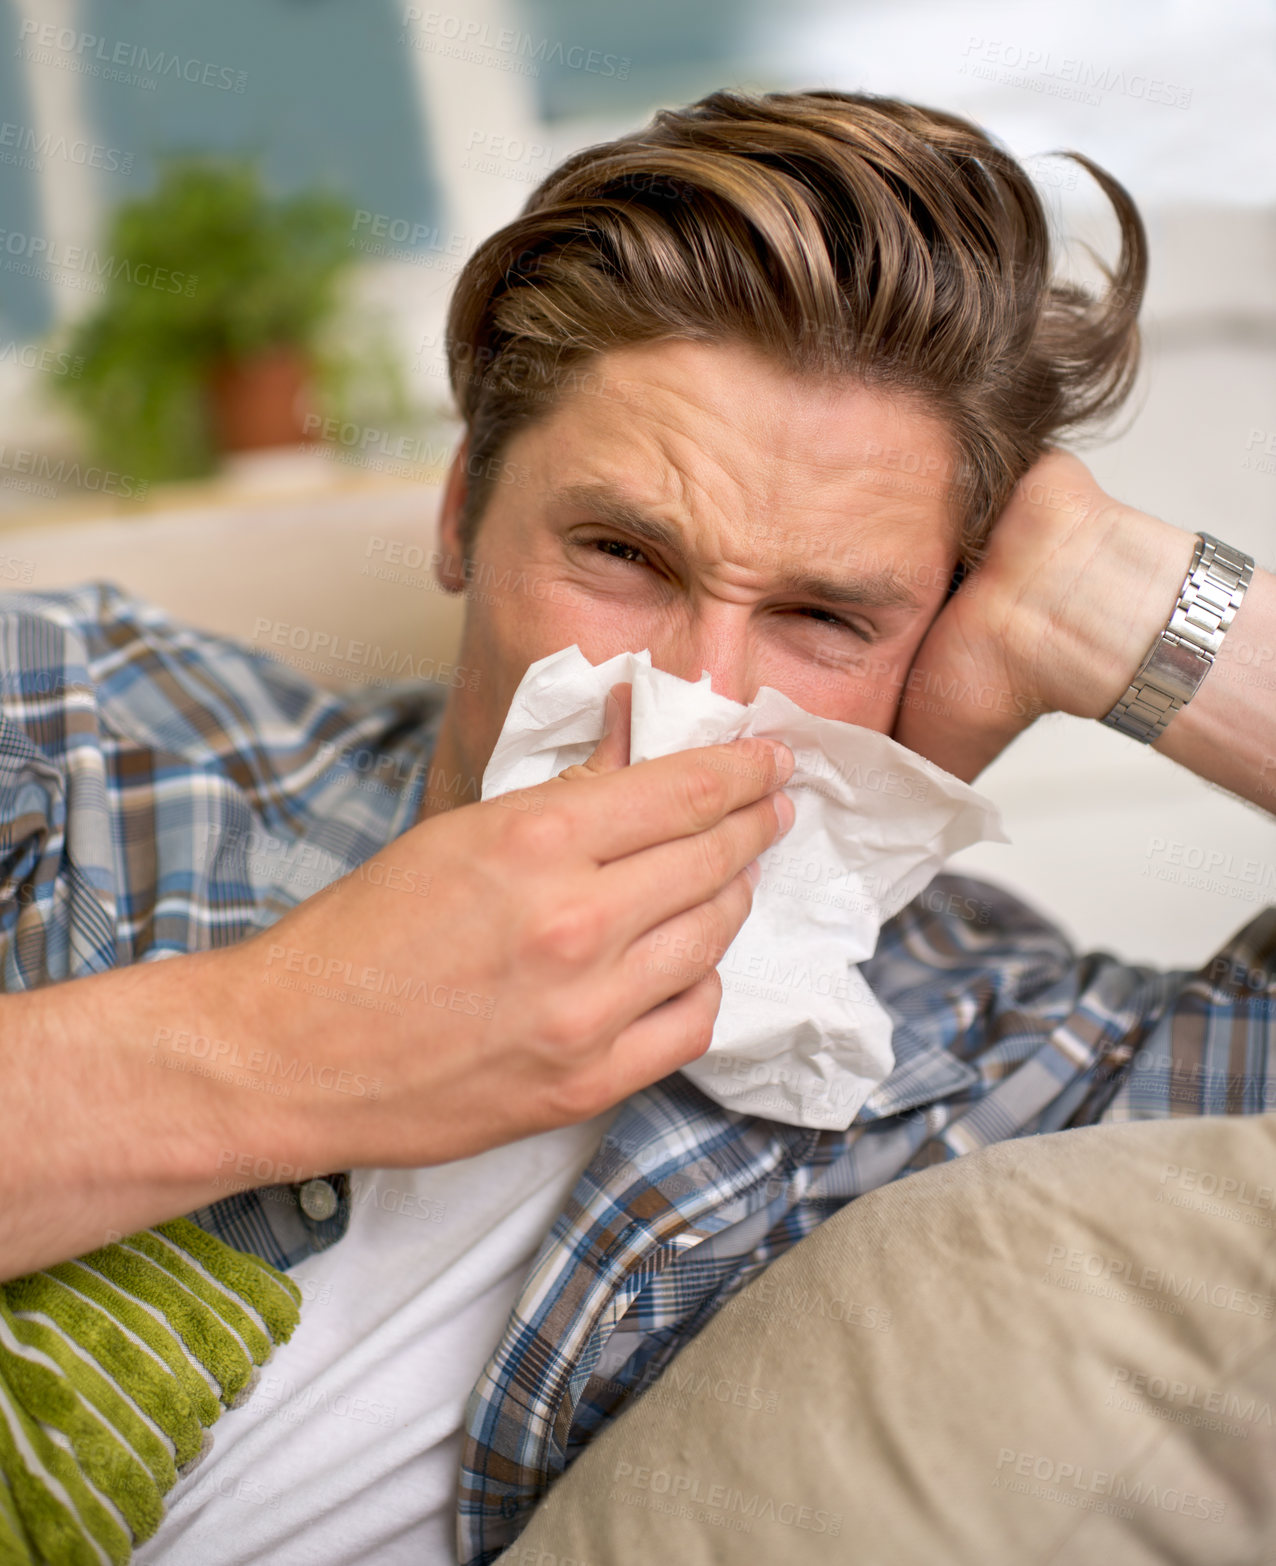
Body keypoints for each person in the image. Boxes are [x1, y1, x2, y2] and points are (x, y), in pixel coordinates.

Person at [0, 87, 1271, 1566]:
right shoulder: (82, 723)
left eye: (824, 614)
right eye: (620, 550)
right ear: (465, 507)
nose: (696, 692)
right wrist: (285, 1043)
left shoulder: (986, 1058)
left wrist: (1123, 598)